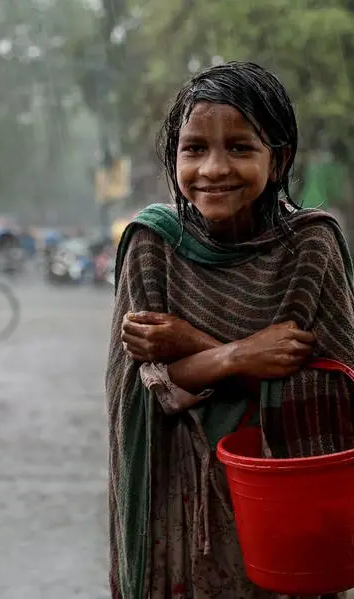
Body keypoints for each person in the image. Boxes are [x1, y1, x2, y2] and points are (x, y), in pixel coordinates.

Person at [106, 62, 354, 599]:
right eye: (193, 149)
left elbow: (333, 393)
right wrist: (240, 356)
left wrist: (191, 348)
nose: (214, 168)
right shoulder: (154, 245)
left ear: (279, 157)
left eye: (240, 147)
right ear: (173, 160)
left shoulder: (312, 247)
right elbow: (143, 393)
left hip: (281, 510)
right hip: (174, 507)